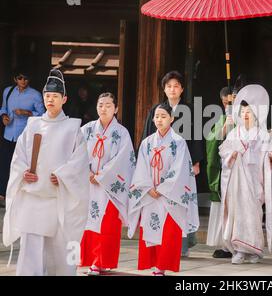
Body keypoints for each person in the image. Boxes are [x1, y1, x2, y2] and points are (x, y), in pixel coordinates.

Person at [2, 69, 90, 276]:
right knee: (31, 248)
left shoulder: (72, 128)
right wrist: (24, 172)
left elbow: (80, 162)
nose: (50, 100)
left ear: (64, 99)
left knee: (59, 249)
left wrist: (63, 175)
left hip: (58, 197)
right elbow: (19, 156)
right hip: (33, 196)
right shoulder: (33, 125)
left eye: (55, 96)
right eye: (47, 96)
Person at [128, 103, 199, 276]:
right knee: (152, 227)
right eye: (157, 116)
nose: (159, 120)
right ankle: (154, 265)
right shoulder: (146, 143)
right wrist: (148, 187)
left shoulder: (179, 142)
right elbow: (141, 168)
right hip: (150, 194)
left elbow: (180, 169)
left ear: (172, 119)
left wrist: (162, 188)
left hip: (169, 196)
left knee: (168, 234)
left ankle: (161, 267)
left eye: (163, 116)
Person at [219, 84, 272, 265]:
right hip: (237, 181)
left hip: (255, 180)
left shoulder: (263, 135)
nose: (246, 114)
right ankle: (239, 250)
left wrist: (271, 157)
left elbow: (270, 153)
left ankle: (254, 249)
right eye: (243, 111)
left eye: (249, 112)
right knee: (237, 213)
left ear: (256, 114)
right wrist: (233, 154)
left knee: (254, 214)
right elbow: (223, 151)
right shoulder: (234, 133)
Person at [141, 70, 203, 257]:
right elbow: (147, 137)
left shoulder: (191, 110)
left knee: (180, 201)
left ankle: (182, 245)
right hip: (160, 165)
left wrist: (197, 160)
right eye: (169, 86)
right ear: (164, 89)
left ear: (182, 89)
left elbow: (197, 136)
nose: (173, 89)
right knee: (160, 204)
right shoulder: (157, 110)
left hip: (183, 164)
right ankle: (160, 243)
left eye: (176, 86)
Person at [79, 92, 136, 275]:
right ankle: (89, 260)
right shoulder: (86, 129)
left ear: (116, 109)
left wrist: (101, 176)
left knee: (107, 224)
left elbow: (123, 160)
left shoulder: (122, 133)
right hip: (88, 184)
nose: (104, 108)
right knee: (87, 222)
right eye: (101, 104)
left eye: (108, 105)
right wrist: (87, 172)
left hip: (110, 188)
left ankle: (101, 261)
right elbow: (76, 154)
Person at [0, 69, 45, 206]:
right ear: (15, 79)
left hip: (25, 137)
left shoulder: (35, 95)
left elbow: (43, 115)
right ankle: (3, 195)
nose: (23, 81)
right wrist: (4, 117)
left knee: (22, 167)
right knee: (5, 164)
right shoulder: (8, 91)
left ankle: (20, 195)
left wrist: (27, 112)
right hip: (8, 135)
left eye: (25, 78)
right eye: (20, 78)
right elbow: (3, 108)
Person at [205, 87, 233, 258]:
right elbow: (211, 143)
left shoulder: (247, 119)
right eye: (225, 103)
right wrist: (224, 128)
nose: (228, 106)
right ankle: (224, 244)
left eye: (231, 102)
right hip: (224, 172)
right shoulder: (222, 119)